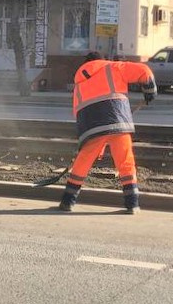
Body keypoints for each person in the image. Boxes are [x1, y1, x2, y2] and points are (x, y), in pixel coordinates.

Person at [55, 51, 156, 214]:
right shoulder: (113, 67)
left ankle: (68, 201)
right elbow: (144, 71)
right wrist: (150, 91)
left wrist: (94, 143)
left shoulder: (79, 84)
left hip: (92, 127)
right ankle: (132, 204)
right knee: (125, 161)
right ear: (101, 60)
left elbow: (78, 113)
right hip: (118, 122)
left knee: (83, 161)